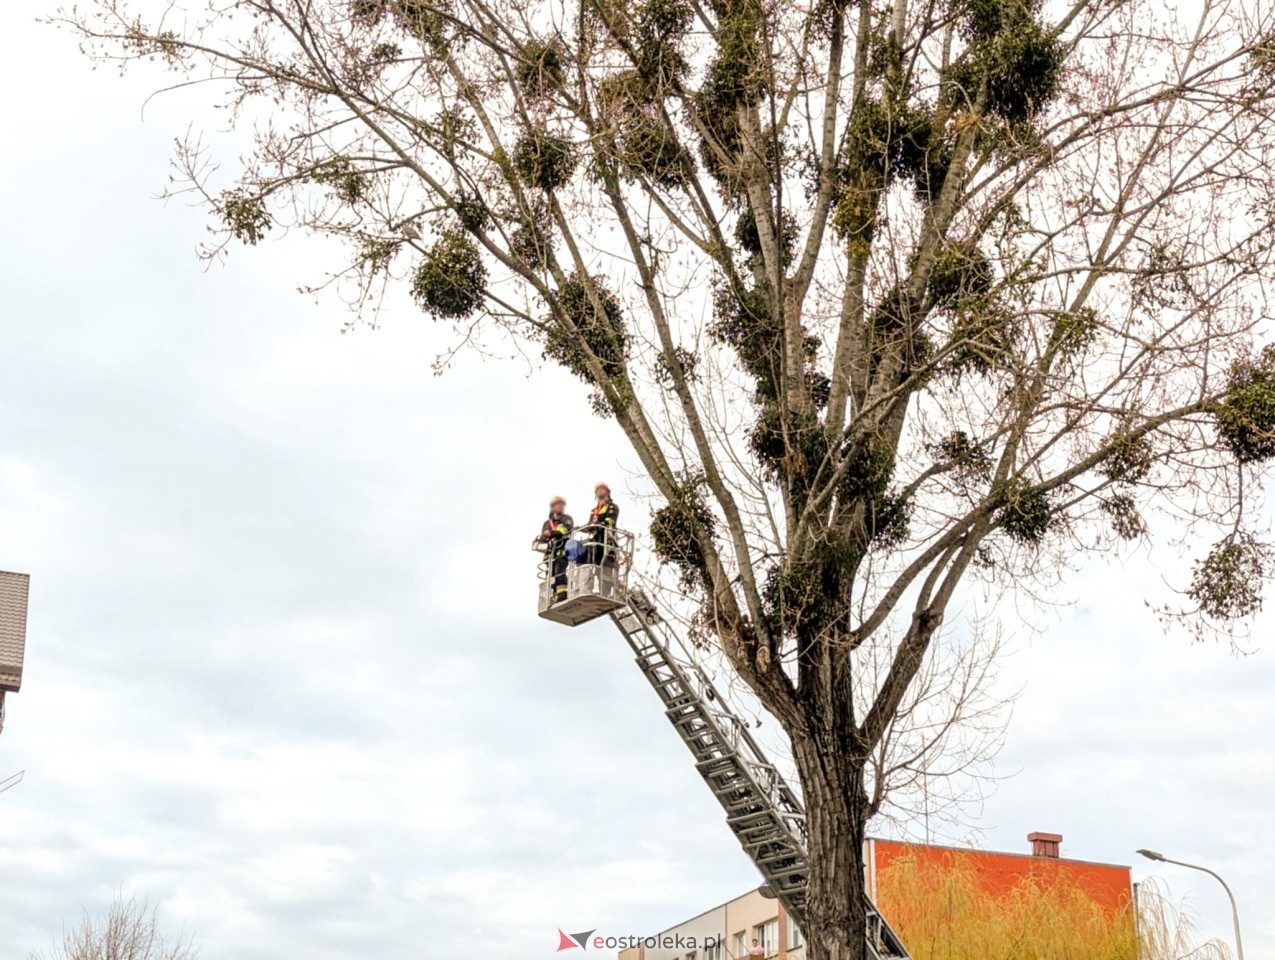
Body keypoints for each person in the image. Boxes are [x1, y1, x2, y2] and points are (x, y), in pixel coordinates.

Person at [535, 496, 574, 603]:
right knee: (550, 576)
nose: (561, 506)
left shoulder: (567, 518)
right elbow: (544, 536)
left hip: (561, 551)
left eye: (562, 504)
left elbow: (565, 529)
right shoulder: (547, 523)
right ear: (552, 507)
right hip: (549, 554)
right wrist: (540, 542)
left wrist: (552, 533)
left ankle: (562, 594)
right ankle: (554, 595)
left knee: (559, 572)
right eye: (558, 504)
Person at [584, 481, 619, 567]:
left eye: (602, 489)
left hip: (607, 540)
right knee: (590, 558)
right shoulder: (594, 510)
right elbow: (590, 524)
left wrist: (598, 525)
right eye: (597, 490)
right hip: (596, 539)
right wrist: (584, 528)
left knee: (603, 564)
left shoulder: (612, 506)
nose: (599, 491)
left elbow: (610, 520)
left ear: (607, 492)